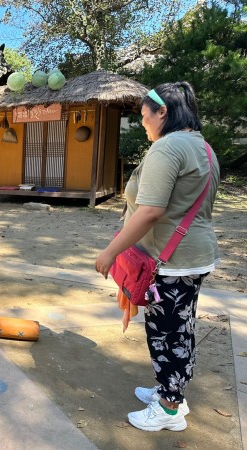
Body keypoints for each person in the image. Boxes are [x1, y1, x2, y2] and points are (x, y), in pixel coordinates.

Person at [95, 82, 220, 432]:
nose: (143, 122)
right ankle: (171, 392)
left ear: (162, 111)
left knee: (166, 333)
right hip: (192, 255)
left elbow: (150, 211)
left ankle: (168, 409)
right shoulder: (203, 147)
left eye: (145, 115)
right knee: (180, 328)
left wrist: (110, 251)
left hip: (172, 261)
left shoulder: (168, 147)